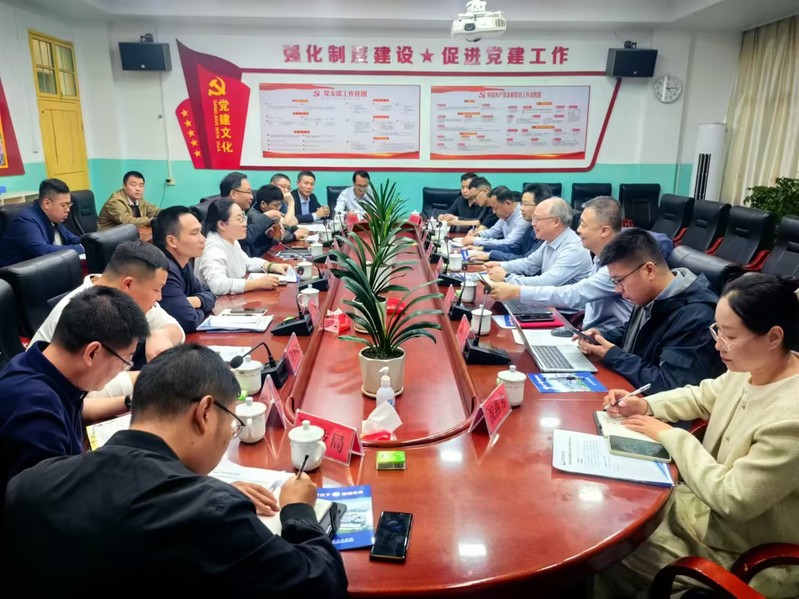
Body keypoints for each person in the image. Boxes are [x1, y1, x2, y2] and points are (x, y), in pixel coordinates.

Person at [1, 344, 349, 597]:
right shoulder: (210, 512)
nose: (231, 433)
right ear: (205, 413)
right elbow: (320, 583)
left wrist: (198, 485)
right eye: (233, 422)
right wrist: (298, 511)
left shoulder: (28, 484)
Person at [595, 273, 799, 598]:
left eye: (730, 335)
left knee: (612, 548)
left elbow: (734, 500)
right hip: (701, 507)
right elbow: (701, 395)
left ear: (773, 337)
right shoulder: (752, 367)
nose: (718, 344)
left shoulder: (791, 417)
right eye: (717, 330)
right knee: (613, 511)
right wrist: (645, 405)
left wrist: (670, 436)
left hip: (739, 546)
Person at [0, 286, 149, 510]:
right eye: (125, 361)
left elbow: (74, 409)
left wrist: (131, 402)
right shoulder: (35, 416)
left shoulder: (42, 366)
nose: (123, 369)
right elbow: (50, 510)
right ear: (92, 352)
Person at [30, 239, 184, 404]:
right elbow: (86, 393)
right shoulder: (87, 311)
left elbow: (176, 329)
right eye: (156, 289)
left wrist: (161, 334)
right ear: (128, 284)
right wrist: (152, 377)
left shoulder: (123, 298)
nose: (159, 297)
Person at [577, 228, 724, 393]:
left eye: (619, 281)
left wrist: (614, 356)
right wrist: (601, 337)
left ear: (649, 270)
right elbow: (637, 333)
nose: (618, 290)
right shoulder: (650, 295)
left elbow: (669, 386)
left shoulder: (696, 316)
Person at [489, 196, 633, 333]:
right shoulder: (600, 257)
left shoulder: (614, 266)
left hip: (599, 334)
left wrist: (514, 288)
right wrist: (501, 268)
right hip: (586, 330)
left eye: (583, 224)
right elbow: (530, 263)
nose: (578, 229)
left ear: (604, 231)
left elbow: (572, 294)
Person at [485, 197, 592, 287]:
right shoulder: (550, 240)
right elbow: (529, 264)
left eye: (537, 219)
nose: (533, 224)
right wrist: (500, 265)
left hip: (562, 306)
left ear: (556, 222)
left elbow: (545, 283)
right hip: (548, 302)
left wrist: (506, 277)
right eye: (533, 218)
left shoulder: (574, 249)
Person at [195, 199, 289, 295]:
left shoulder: (230, 239)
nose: (245, 224)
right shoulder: (212, 249)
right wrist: (256, 283)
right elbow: (218, 285)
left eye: (244, 218)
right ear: (222, 224)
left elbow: (245, 262)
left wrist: (270, 266)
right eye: (239, 220)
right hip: (220, 302)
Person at [153, 206, 216, 333]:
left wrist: (196, 301)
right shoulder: (164, 271)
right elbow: (188, 321)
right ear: (172, 241)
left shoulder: (183, 261)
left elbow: (209, 293)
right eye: (194, 233)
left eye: (200, 232)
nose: (203, 239)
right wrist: (198, 306)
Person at [0, 178, 83, 267]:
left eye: (69, 204)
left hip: (42, 269)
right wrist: (82, 248)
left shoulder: (54, 218)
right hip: (15, 273)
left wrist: (91, 242)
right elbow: (43, 251)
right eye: (64, 205)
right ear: (47, 203)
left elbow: (73, 239)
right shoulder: (25, 221)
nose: (68, 210)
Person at [469, 184, 552, 262]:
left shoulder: (543, 231)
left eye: (526, 204)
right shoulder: (531, 227)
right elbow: (516, 248)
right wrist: (484, 248)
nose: (521, 208)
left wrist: (489, 254)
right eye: (522, 203)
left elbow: (527, 261)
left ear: (541, 205)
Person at [218, 171, 278, 257]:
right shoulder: (221, 216)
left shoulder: (243, 212)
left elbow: (251, 253)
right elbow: (245, 238)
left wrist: (267, 237)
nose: (252, 197)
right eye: (248, 192)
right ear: (233, 194)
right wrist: (268, 216)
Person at [460, 186, 529, 253]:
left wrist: (476, 240)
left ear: (507, 203)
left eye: (495, 208)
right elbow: (493, 232)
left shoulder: (522, 217)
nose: (493, 212)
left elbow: (509, 243)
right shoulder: (505, 215)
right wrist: (478, 234)